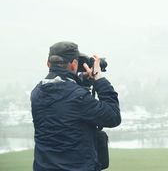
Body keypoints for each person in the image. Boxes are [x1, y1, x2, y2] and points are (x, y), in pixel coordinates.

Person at [31, 41, 121, 171]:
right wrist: (99, 79)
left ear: (48, 64)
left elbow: (65, 102)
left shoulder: (37, 93)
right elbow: (113, 116)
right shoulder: (78, 97)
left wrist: (81, 81)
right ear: (74, 65)